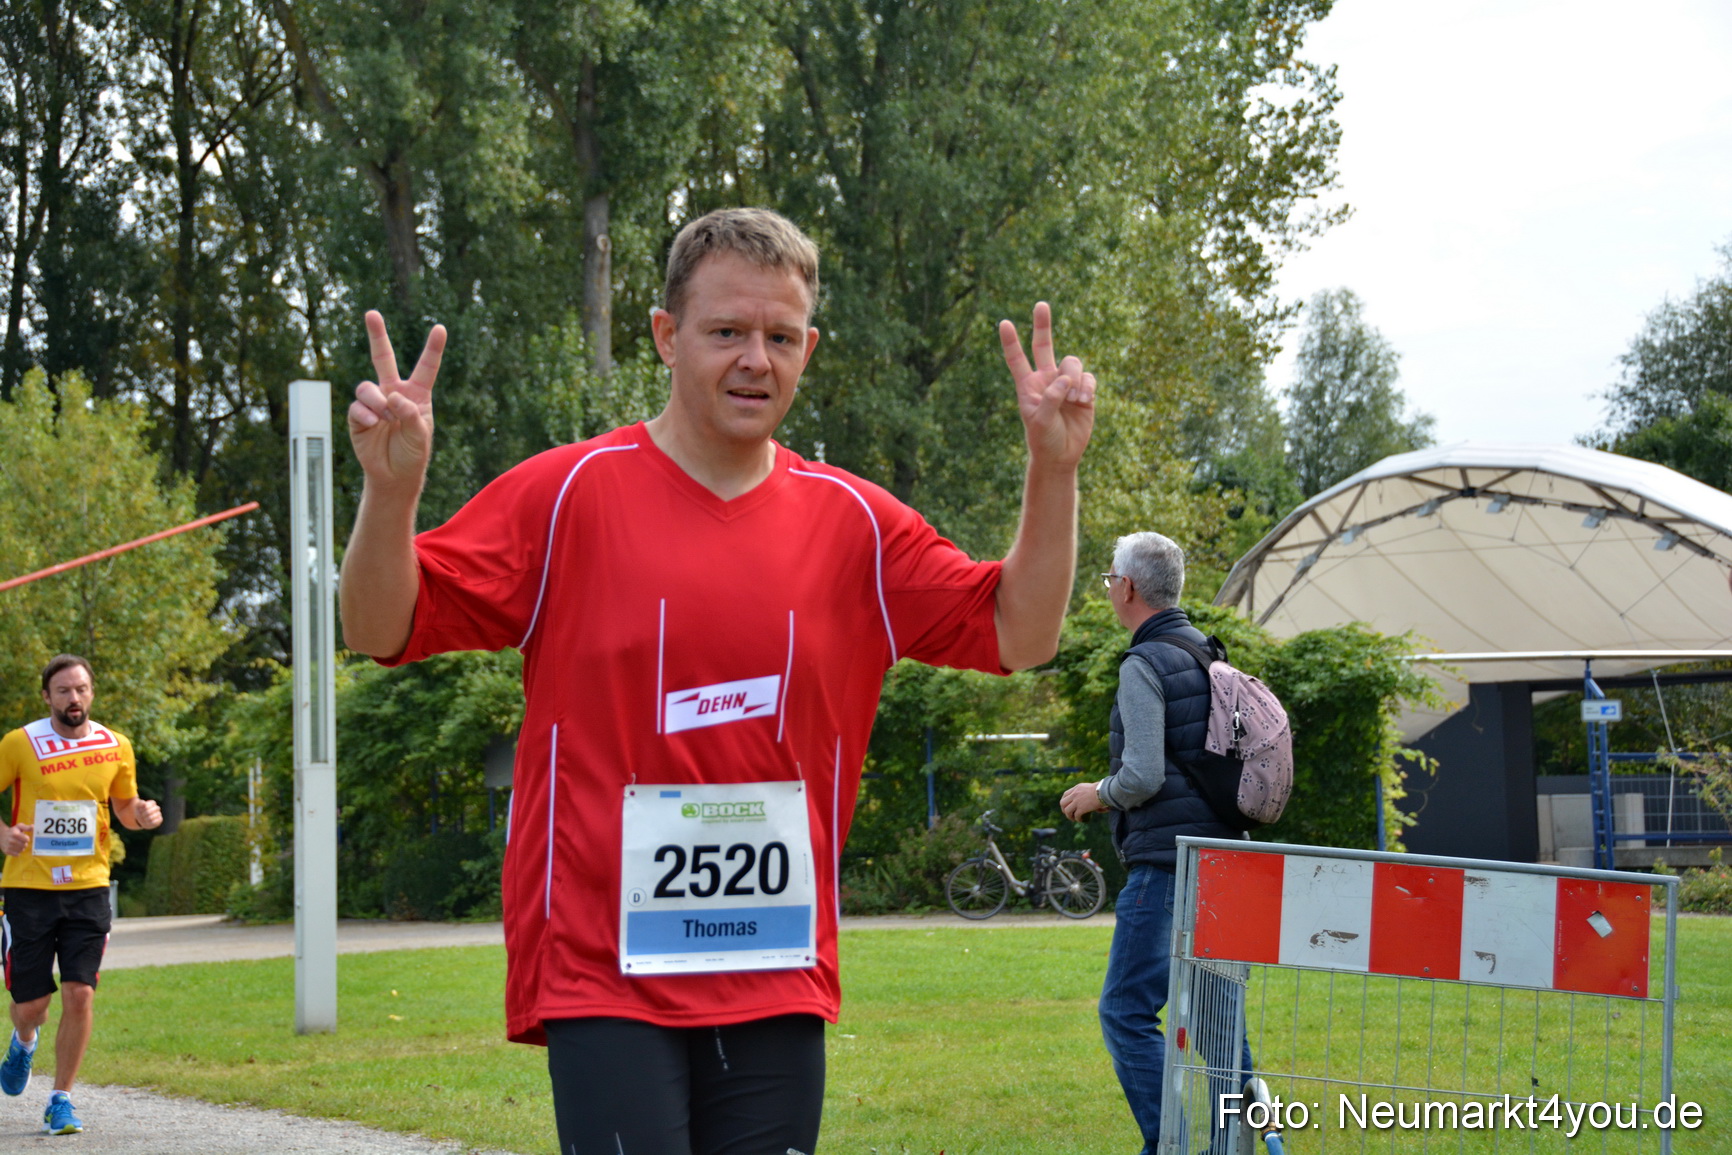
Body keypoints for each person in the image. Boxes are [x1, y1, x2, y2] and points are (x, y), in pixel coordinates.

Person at [339, 207, 1096, 1155]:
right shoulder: (565, 494)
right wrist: (391, 493)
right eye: (727, 331)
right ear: (665, 335)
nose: (755, 360)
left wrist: (1053, 471)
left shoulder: (856, 524)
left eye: (780, 337)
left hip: (773, 961)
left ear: (808, 349)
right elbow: (377, 624)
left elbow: (1020, 634)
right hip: (601, 963)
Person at [1058, 531, 1251, 1155]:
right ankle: (1234, 1148)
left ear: (1128, 588)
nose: (1110, 588)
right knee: (1222, 1026)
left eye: (1111, 578)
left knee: (1125, 1012)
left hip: (1168, 865)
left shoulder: (1144, 663)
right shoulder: (1208, 652)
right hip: (1227, 864)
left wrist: (1098, 793)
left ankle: (1166, 1144)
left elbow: (1142, 775)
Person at [0, 654, 163, 1135]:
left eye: (82, 689)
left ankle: (61, 1099)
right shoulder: (20, 744)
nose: (75, 699)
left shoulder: (115, 745)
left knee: (79, 993)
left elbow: (125, 805)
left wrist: (143, 816)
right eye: (65, 691)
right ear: (47, 696)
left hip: (89, 887)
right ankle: (23, 1041)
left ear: (92, 692)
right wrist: (3, 835)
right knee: (33, 1005)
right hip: (28, 889)